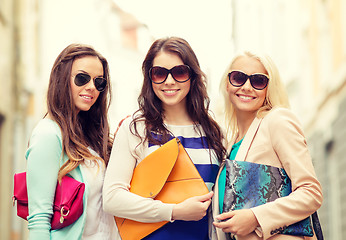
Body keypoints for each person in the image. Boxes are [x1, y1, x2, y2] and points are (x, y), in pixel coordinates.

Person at [103, 36, 226, 240]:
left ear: (192, 76)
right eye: (159, 73)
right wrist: (173, 211)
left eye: (179, 72)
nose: (169, 81)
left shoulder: (213, 131)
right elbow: (112, 198)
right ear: (150, 78)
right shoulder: (136, 128)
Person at [211, 51, 323, 240]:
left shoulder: (277, 121)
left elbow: (311, 192)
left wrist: (255, 217)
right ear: (227, 83)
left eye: (258, 81)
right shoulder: (231, 144)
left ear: (269, 88)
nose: (247, 87)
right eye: (238, 77)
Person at [25, 43, 119, 239]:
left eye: (99, 82)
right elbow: (39, 218)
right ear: (61, 80)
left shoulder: (93, 137)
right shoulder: (48, 134)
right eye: (82, 78)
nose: (91, 87)